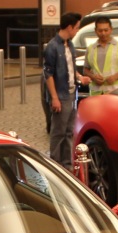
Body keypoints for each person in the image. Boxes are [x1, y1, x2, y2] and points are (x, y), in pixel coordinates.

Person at [44, 11, 84, 169]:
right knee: (58, 132)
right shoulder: (52, 47)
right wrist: (54, 97)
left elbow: (70, 67)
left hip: (71, 93)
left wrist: (79, 77)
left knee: (69, 131)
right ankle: (54, 164)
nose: (77, 31)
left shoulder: (70, 45)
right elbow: (48, 74)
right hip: (61, 95)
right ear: (69, 27)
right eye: (76, 28)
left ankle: (67, 164)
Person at [83, 18, 118, 97]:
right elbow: (85, 70)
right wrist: (93, 77)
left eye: (106, 30)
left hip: (115, 91)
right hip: (96, 93)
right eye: (100, 31)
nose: (103, 33)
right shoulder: (90, 48)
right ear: (95, 31)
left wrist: (115, 77)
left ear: (111, 29)